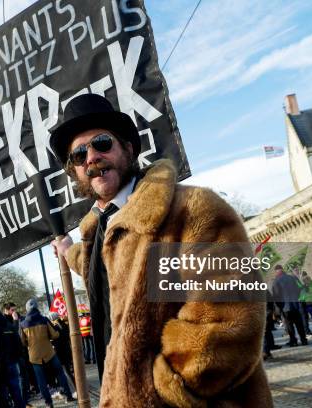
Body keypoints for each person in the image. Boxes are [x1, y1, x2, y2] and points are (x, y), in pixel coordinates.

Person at [50, 93, 271, 406]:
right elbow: (111, 276)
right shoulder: (100, 233)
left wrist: (160, 390)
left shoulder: (193, 209)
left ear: (128, 147)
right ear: (74, 171)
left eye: (102, 142)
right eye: (79, 154)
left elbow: (230, 321)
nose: (91, 157)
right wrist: (67, 250)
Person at [20, 299, 74, 408]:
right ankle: (68, 395)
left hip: (34, 355)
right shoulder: (44, 319)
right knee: (60, 374)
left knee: (41, 381)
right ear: (37, 307)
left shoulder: (23, 324)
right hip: (49, 352)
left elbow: (22, 341)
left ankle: (49, 403)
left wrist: (30, 344)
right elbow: (54, 335)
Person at [272, 265, 308, 347]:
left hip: (285, 307)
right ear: (282, 270)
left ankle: (293, 341)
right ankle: (303, 340)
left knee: (289, 325)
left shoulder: (276, 281)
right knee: (299, 323)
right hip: (295, 304)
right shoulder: (292, 278)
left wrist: (279, 307)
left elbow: (276, 296)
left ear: (276, 271)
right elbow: (299, 289)